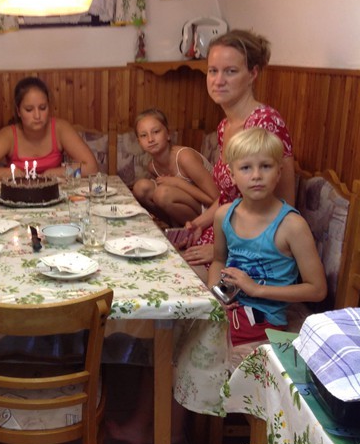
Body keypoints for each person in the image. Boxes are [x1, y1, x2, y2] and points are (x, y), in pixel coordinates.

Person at [208, 127, 326, 367]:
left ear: (279, 172)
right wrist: (215, 294)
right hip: (228, 307)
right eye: (245, 168)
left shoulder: (292, 225)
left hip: (264, 320)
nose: (256, 175)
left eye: (265, 166)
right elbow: (219, 259)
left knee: (209, 352)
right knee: (181, 330)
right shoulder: (223, 215)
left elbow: (317, 290)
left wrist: (256, 290)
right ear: (232, 174)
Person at [181, 29, 296, 274]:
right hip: (226, 234)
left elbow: (285, 208)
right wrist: (200, 223)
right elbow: (229, 198)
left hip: (256, 252)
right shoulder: (225, 126)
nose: (218, 80)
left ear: (253, 74)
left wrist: (221, 251)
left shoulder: (266, 123)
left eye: (230, 71)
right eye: (213, 71)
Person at [0, 77, 98, 180]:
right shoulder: (9, 135)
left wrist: (54, 173)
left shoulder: (60, 129)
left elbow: (91, 168)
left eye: (43, 108)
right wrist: (13, 174)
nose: (37, 116)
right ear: (19, 111)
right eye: (29, 109)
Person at [132, 108, 218, 227]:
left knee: (162, 194)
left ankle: (194, 228)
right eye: (143, 135)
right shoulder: (152, 167)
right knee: (140, 188)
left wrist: (177, 183)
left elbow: (216, 199)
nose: (150, 139)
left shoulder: (185, 157)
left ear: (168, 134)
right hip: (191, 208)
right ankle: (176, 227)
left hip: (211, 210)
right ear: (139, 142)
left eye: (156, 132)